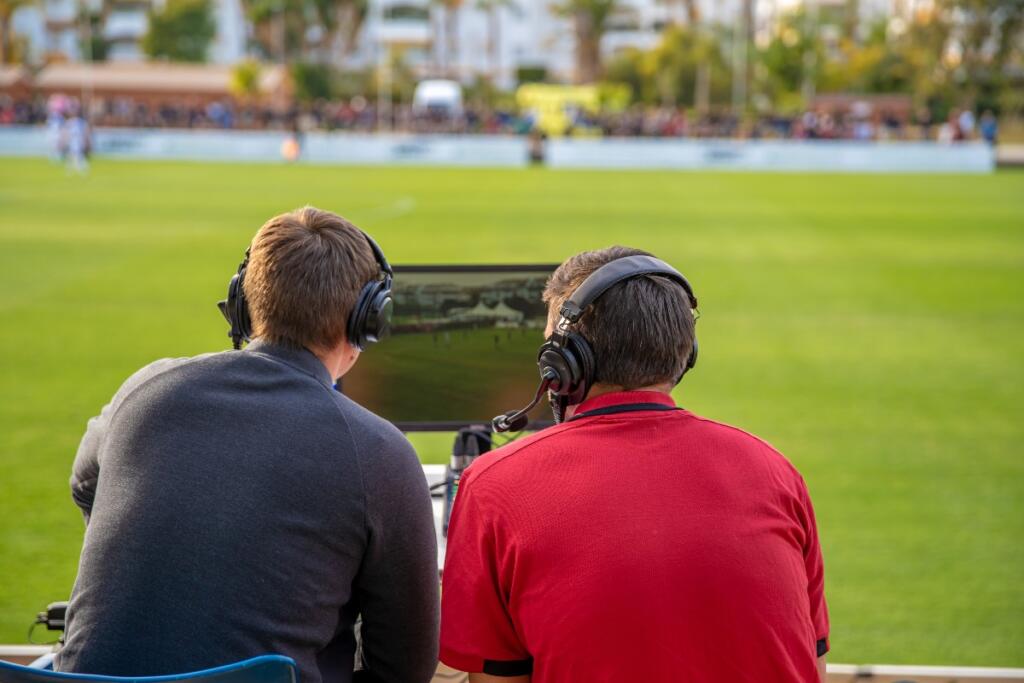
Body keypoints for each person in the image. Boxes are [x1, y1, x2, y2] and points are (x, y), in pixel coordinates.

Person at [58, 207, 439, 683]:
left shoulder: (144, 389)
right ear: (368, 320)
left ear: (241, 302)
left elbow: (84, 485)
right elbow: (403, 668)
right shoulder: (381, 453)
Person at [440, 246, 829, 683]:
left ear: (566, 364)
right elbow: (812, 662)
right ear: (686, 352)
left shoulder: (495, 485)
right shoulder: (776, 472)